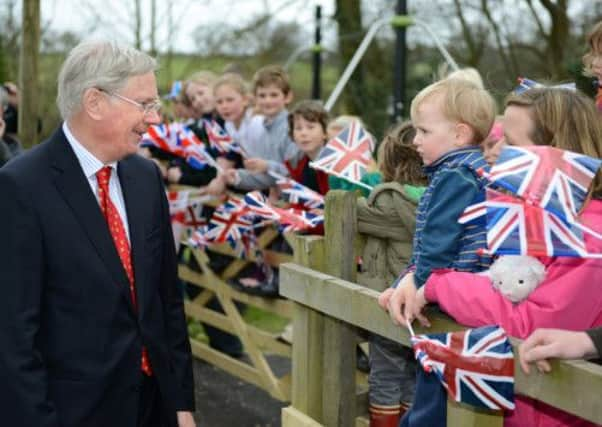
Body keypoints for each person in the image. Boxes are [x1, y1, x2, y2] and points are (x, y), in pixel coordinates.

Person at [0, 40, 195, 427]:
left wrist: (181, 403)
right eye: (145, 104)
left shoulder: (145, 178)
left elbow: (166, 302)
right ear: (94, 102)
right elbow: (13, 337)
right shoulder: (21, 187)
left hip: (153, 409)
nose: (155, 120)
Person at [411, 88, 602, 427]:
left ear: (555, 151)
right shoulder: (529, 215)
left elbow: (533, 324)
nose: (495, 150)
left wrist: (436, 286)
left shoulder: (587, 235)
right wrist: (412, 278)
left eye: (510, 142)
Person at [356, 121, 427, 427]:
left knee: (385, 376)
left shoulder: (386, 199)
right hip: (422, 302)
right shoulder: (438, 199)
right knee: (414, 374)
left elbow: (355, 216)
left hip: (388, 300)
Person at [224, 64, 301, 190]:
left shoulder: (292, 128)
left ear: (287, 97)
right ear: (255, 98)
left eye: (274, 95)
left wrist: (267, 166)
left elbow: (294, 173)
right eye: (262, 96)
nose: (267, 101)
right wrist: (238, 177)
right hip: (275, 199)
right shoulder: (262, 129)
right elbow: (268, 179)